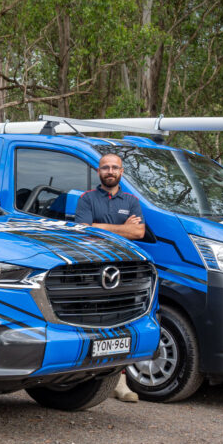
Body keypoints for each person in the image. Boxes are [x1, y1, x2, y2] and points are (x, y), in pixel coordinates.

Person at [75, 151, 144, 403]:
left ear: (121, 172)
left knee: (122, 322)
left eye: (115, 167)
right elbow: (84, 231)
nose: (110, 171)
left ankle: (120, 383)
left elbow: (138, 233)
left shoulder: (132, 201)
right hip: (92, 270)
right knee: (93, 322)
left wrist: (100, 227)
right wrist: (123, 228)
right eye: (105, 167)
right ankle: (86, 378)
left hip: (124, 270)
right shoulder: (87, 199)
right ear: (98, 171)